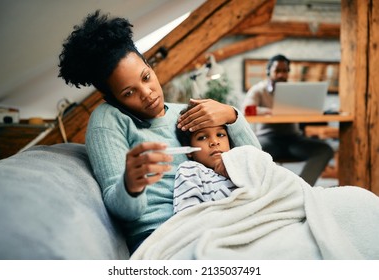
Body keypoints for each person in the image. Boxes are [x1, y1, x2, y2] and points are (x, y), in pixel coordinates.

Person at [58, 10, 261, 254]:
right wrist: (131, 184)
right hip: (163, 236)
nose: (148, 94)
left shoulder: (185, 112)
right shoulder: (108, 120)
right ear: (112, 98)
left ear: (150, 66)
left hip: (216, 220)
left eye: (146, 77)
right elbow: (122, 207)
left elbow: (256, 165)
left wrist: (232, 115)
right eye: (128, 93)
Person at [241, 54, 334, 186]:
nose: (281, 75)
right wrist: (271, 112)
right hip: (268, 139)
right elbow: (247, 109)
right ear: (268, 71)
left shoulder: (295, 90)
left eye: (284, 71)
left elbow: (309, 108)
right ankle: (261, 189)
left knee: (325, 150)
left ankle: (301, 187)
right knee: (252, 153)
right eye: (277, 71)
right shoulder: (258, 90)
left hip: (294, 140)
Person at [174, 105, 237, 214]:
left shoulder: (239, 162)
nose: (214, 142)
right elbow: (186, 217)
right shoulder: (190, 170)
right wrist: (232, 192)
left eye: (220, 134)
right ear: (189, 150)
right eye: (202, 137)